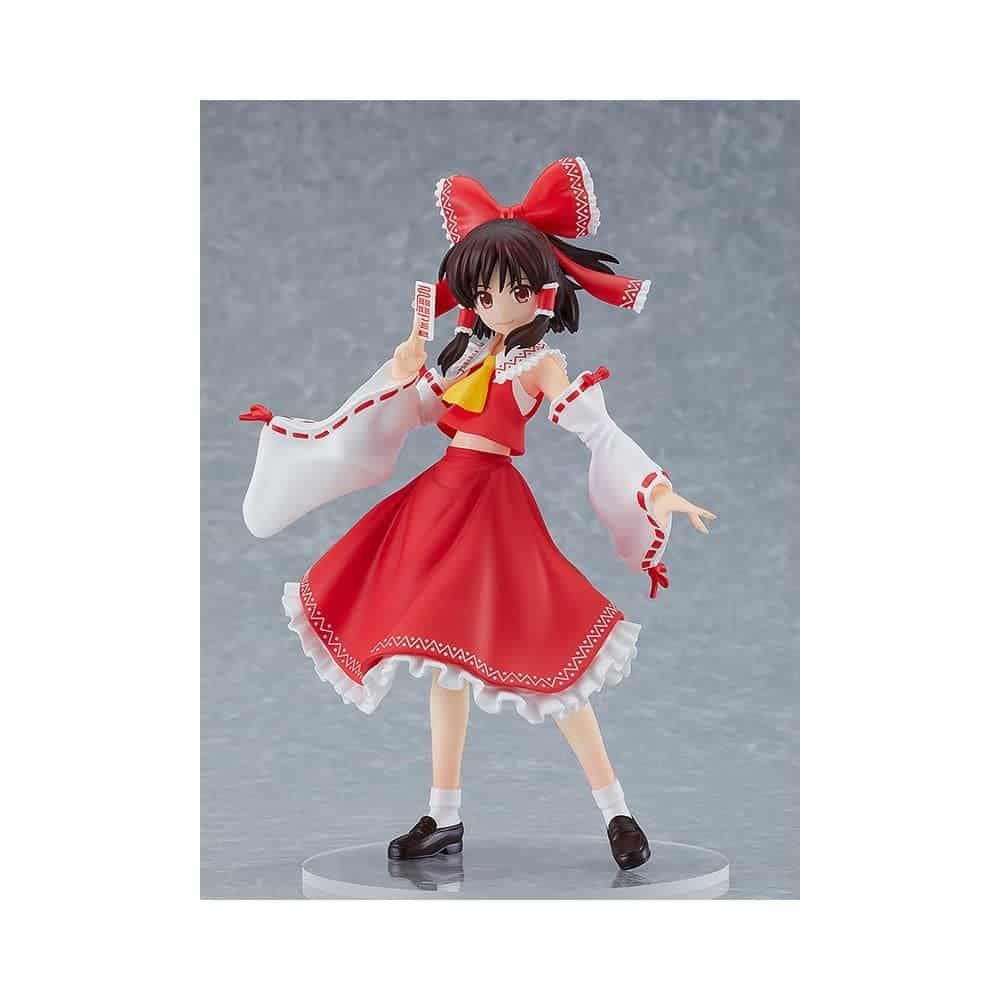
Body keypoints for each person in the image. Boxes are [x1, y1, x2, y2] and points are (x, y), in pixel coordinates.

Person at [240, 158, 716, 870]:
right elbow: (412, 411)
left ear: (540, 293)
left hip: (493, 512)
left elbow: (596, 429)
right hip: (438, 503)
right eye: (484, 292)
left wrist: (654, 489)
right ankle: (444, 813)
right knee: (442, 660)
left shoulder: (540, 365)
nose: (497, 303)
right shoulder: (461, 356)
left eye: (513, 290)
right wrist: (403, 371)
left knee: (553, 655)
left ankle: (617, 811)